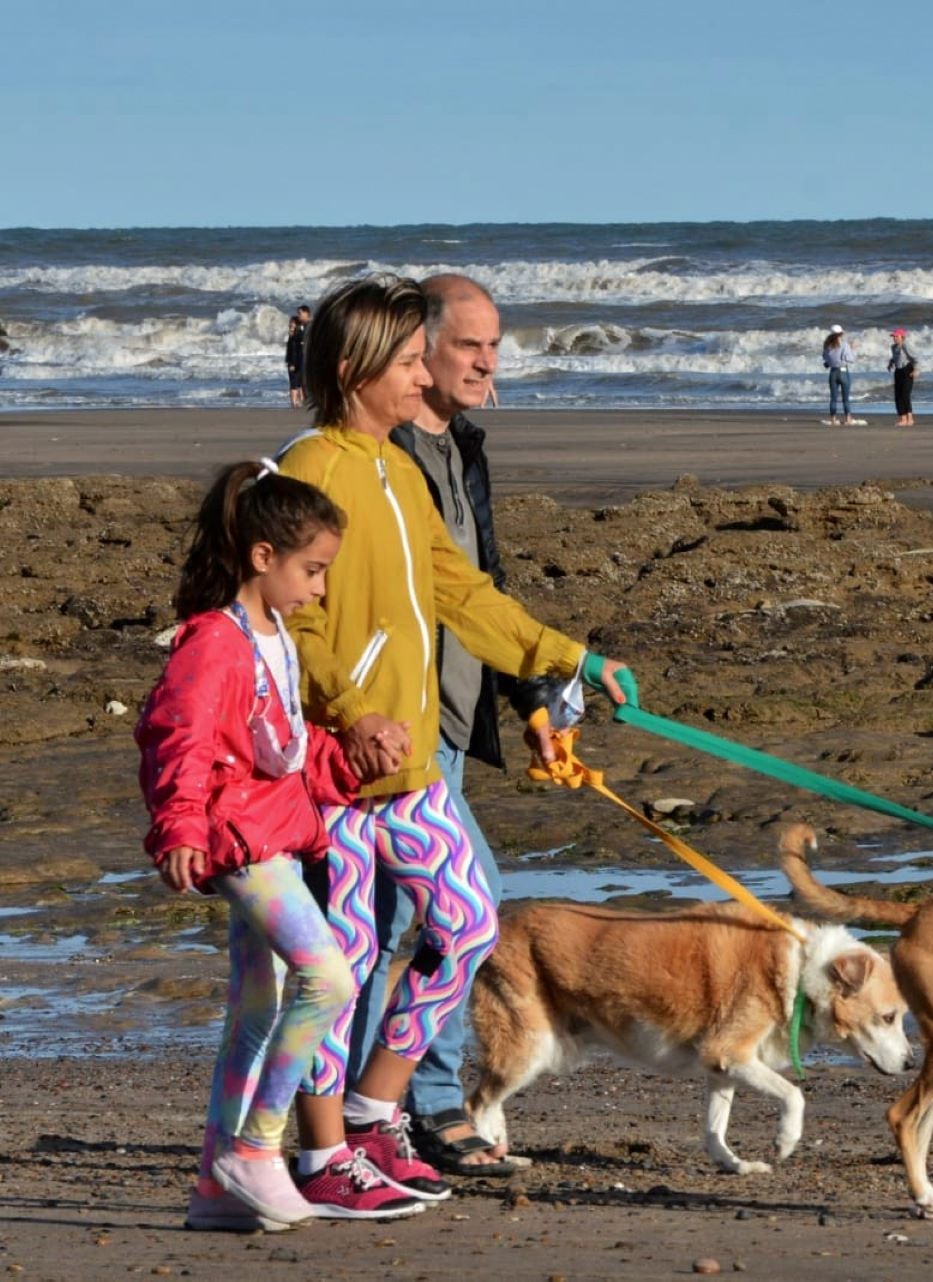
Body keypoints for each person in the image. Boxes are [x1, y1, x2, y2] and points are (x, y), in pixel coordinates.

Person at [276, 274, 638, 1214]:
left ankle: (374, 1111)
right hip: (341, 770)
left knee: (468, 920)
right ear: (358, 369)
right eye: (407, 362)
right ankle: (323, 1158)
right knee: (341, 963)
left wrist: (569, 658)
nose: (421, 376)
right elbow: (293, 620)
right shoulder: (311, 469)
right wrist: (348, 711)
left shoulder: (399, 469)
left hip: (414, 761)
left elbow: (461, 593)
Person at [136, 460, 363, 1231]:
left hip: (275, 831)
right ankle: (259, 1149)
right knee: (328, 978)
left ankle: (213, 1191)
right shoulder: (215, 643)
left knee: (256, 1012)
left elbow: (285, 746)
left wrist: (346, 763)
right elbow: (181, 735)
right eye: (313, 570)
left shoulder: (274, 636)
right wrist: (180, 826)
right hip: (240, 843)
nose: (320, 589)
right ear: (262, 557)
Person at [369, 273, 536, 1176]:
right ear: (417, 348)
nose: (486, 360)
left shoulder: (463, 445)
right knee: (451, 908)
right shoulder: (380, 453)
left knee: (417, 920)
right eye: (469, 343)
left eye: (495, 344)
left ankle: (385, 1110)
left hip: (456, 720)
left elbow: (484, 587)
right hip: (400, 727)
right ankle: (404, 1108)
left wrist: (535, 698)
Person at [822, 324, 855, 426]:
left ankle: (833, 419)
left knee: (833, 398)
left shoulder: (827, 345)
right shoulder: (844, 344)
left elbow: (826, 359)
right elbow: (850, 359)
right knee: (846, 398)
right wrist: (852, 348)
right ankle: (848, 419)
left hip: (833, 372)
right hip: (843, 371)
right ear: (841, 333)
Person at [887, 326, 917, 427]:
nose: (894, 338)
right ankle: (902, 419)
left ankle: (910, 418)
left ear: (902, 337)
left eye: (896, 336)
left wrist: (916, 370)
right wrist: (890, 363)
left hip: (907, 370)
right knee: (898, 396)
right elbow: (895, 357)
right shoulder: (893, 347)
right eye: (893, 336)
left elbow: (915, 358)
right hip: (898, 371)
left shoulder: (905, 345)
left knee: (905, 394)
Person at [285, 306, 311, 408]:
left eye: (300, 313)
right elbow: (291, 349)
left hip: (307, 358)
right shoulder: (301, 329)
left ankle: (305, 402)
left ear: (306, 313)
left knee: (303, 382)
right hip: (300, 359)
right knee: (300, 382)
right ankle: (303, 402)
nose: (299, 315)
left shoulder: (310, 326)